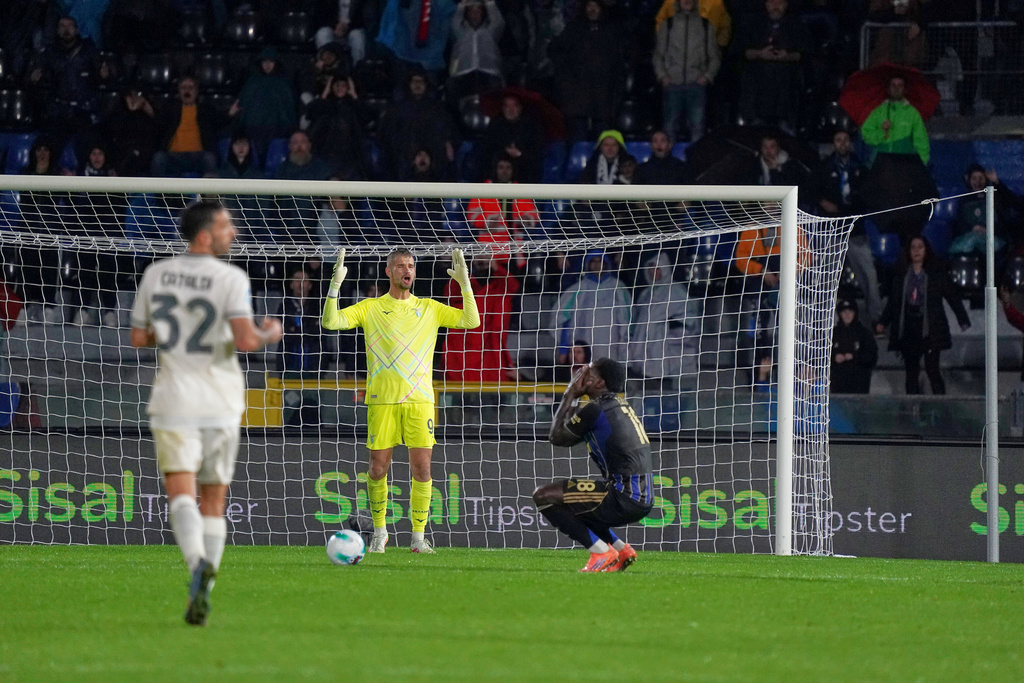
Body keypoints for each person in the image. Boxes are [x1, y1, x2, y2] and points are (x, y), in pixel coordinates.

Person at [129, 199, 284, 626]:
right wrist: (270, 332)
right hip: (220, 400)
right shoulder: (230, 278)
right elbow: (247, 341)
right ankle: (205, 587)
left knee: (181, 493)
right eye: (225, 225)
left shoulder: (156, 274)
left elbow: (139, 337)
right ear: (204, 234)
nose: (232, 232)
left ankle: (196, 563)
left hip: (174, 398)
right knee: (213, 499)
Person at [321, 247, 480, 554]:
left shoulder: (430, 308)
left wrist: (464, 283)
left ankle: (418, 539)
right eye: (401, 266)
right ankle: (380, 533)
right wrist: (335, 286)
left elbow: (470, 321)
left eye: (411, 265)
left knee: (422, 470)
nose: (407, 270)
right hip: (382, 401)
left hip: (420, 401)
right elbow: (331, 322)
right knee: (378, 469)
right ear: (389, 272)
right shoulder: (370, 308)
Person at [536, 358, 653, 572]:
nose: (579, 379)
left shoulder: (596, 409)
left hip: (622, 496)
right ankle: (621, 549)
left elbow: (557, 437)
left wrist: (569, 394)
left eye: (586, 375)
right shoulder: (618, 406)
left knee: (544, 496)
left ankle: (600, 551)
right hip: (642, 497)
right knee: (580, 506)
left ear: (599, 383)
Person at [876, 236, 971, 395]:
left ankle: (941, 406)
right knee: (911, 372)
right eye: (913, 247)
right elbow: (894, 303)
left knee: (932, 369)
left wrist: (962, 319)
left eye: (920, 247)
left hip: (930, 328)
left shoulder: (936, 274)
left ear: (926, 251)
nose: (916, 251)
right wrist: (883, 322)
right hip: (909, 327)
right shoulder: (901, 276)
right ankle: (912, 409)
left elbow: (952, 297)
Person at [808, 128, 879, 325]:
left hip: (855, 231)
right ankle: (822, 321)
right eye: (838, 140)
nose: (842, 143)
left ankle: (876, 319)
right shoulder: (823, 167)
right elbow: (812, 192)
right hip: (831, 231)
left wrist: (852, 205)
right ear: (833, 144)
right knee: (826, 279)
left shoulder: (860, 168)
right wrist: (823, 202)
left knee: (869, 276)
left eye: (846, 140)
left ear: (851, 143)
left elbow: (868, 196)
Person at [860, 76, 936, 242]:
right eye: (893, 85)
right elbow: (867, 135)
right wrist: (881, 130)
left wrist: (918, 169)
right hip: (883, 168)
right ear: (888, 88)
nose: (896, 88)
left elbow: (922, 144)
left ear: (904, 89)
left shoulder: (912, 113)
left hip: (905, 170)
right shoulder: (879, 111)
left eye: (900, 85)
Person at [652, 0, 721, 144]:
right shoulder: (668, 25)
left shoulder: (705, 26)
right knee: (669, 128)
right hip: (672, 84)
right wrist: (663, 76)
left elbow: (715, 56)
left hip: (696, 85)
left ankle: (697, 165)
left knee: (698, 129)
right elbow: (658, 55)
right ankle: (668, 165)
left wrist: (707, 76)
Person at [735, 0, 805, 133]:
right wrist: (759, 54)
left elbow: (805, 54)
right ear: (766, 4)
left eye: (780, 2)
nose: (776, 6)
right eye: (772, 2)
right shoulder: (751, 24)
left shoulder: (797, 25)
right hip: (756, 97)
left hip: (786, 97)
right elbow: (739, 51)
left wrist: (787, 56)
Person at [553, 250, 631, 364]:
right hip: (584, 345)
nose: (597, 264)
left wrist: (627, 350)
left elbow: (627, 320)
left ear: (606, 263)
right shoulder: (577, 289)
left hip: (611, 345)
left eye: (600, 261)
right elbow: (563, 318)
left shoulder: (618, 288)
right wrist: (564, 349)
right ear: (587, 264)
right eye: (593, 261)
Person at [151, 76, 220, 178]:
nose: (187, 91)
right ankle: (159, 193)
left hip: (197, 156)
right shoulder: (170, 109)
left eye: (191, 88)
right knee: (158, 158)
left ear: (196, 92)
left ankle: (209, 194)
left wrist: (230, 113)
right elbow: (157, 123)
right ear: (179, 91)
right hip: (173, 156)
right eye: (183, 88)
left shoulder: (205, 110)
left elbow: (220, 120)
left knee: (209, 158)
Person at [950, 164, 1023, 257]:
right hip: (970, 240)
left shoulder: (995, 197)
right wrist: (973, 229)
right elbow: (960, 223)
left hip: (994, 239)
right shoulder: (964, 200)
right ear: (969, 181)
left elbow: (1014, 202)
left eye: (981, 178)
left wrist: (997, 182)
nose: (978, 182)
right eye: (974, 178)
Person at [447, 0, 506, 105]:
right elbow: (453, 24)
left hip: (489, 72)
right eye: (471, 10)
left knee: (492, 102)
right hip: (463, 73)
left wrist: (489, 3)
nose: (475, 13)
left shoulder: (490, 30)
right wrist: (462, 5)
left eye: (478, 10)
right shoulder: (460, 31)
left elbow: (498, 22)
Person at [830, 298, 877, 394]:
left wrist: (854, 357)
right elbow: (821, 356)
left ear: (855, 313)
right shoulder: (833, 334)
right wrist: (834, 358)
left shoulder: (864, 334)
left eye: (850, 312)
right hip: (837, 387)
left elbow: (872, 356)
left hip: (859, 386)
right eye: (844, 312)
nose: (847, 315)